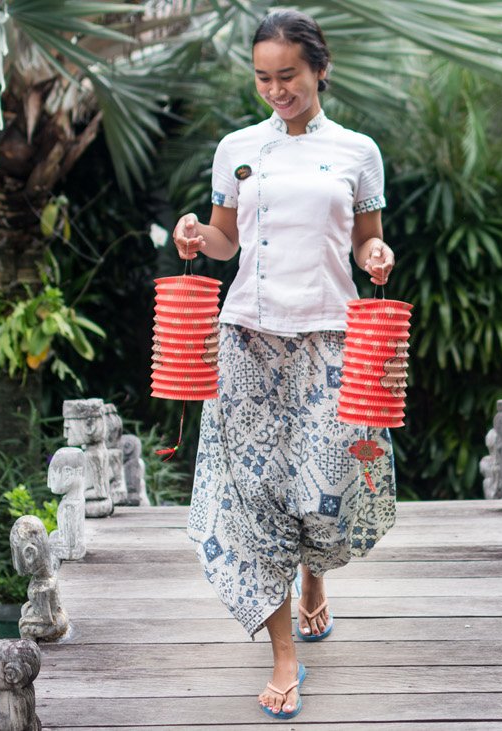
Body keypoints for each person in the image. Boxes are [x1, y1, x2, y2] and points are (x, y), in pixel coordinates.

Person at [176, 9, 398, 721]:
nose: (275, 90)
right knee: (254, 497)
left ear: (319, 69)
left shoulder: (358, 152)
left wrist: (377, 258)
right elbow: (223, 241)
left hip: (330, 340)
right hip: (247, 338)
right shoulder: (238, 148)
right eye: (263, 77)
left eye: (289, 77)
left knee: (328, 486)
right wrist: (193, 233)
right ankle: (283, 654)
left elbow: (368, 242)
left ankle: (314, 581)